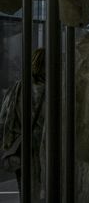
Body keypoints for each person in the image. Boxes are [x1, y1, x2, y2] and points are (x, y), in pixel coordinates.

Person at [0, 48, 46, 200]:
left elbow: (4, 118)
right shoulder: (53, 91)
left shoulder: (17, 88)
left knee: (25, 191)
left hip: (21, 149)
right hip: (44, 149)